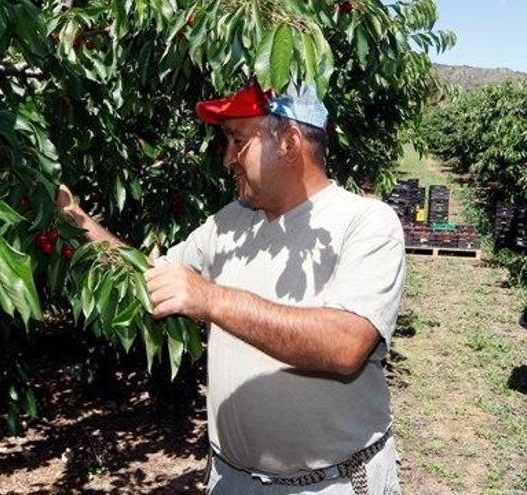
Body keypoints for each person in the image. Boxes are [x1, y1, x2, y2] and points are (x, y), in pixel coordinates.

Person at [57, 82, 406, 494]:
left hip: (334, 483)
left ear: (290, 142)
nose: (227, 158)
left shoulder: (365, 223)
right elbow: (151, 278)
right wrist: (78, 220)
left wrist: (209, 297)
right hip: (231, 479)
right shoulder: (230, 222)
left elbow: (346, 344)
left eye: (238, 141)